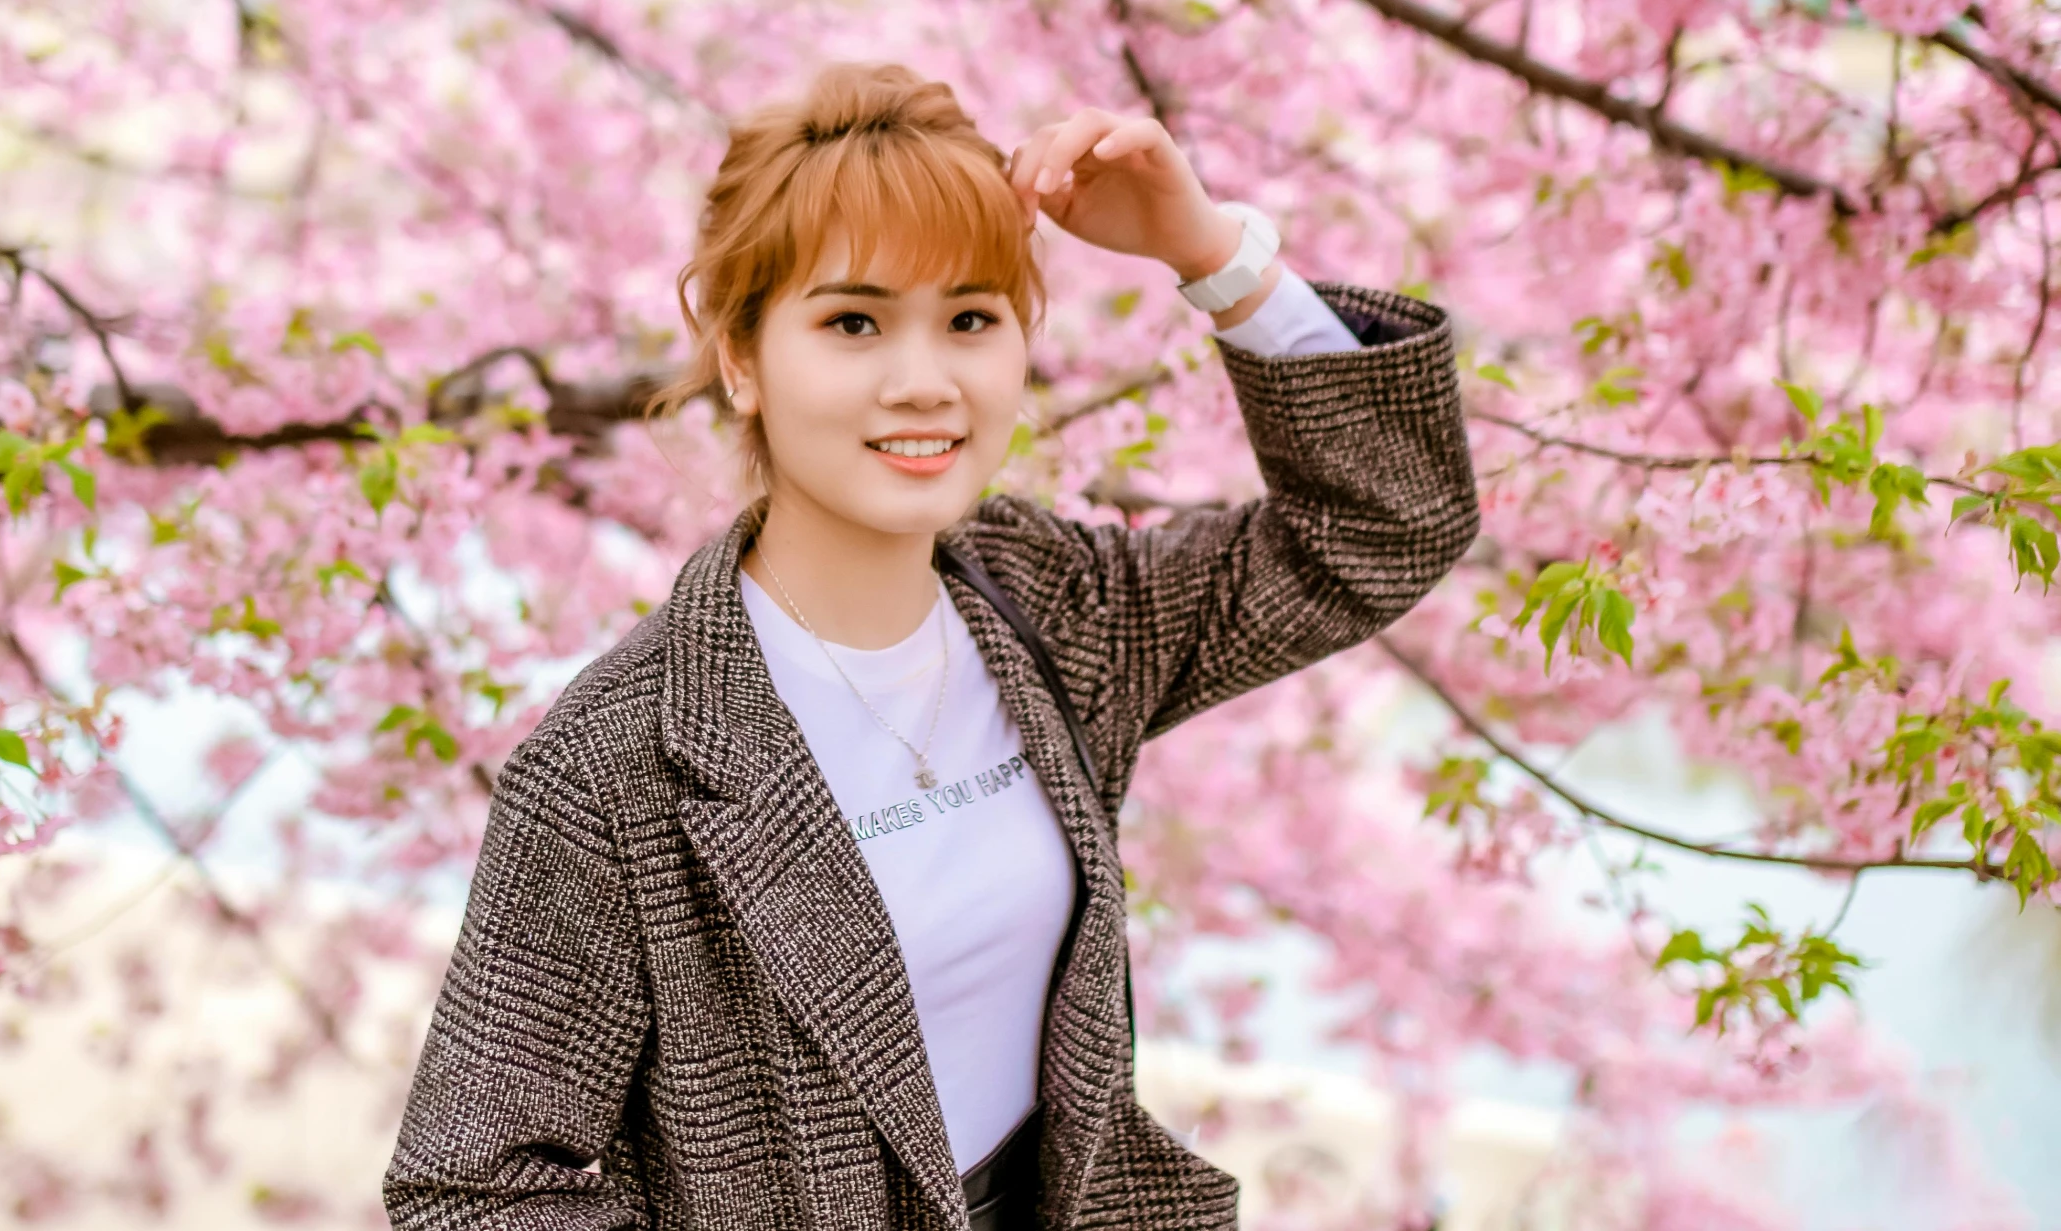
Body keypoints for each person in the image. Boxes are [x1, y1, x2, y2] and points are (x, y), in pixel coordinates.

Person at [383, 62, 1480, 1230]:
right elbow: (469, 1190)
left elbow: (1380, 525)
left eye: (969, 319)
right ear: (743, 359)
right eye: (852, 321)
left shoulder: (1049, 608)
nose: (923, 383)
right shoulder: (621, 766)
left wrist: (1209, 251)